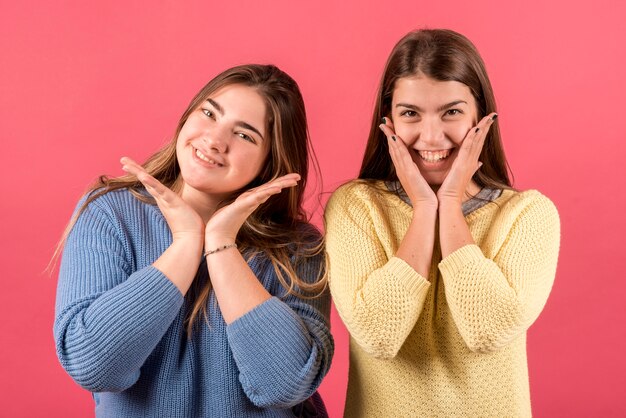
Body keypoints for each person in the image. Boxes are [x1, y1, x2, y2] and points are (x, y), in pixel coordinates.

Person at [53, 64, 333, 417]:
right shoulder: (112, 213)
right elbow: (93, 365)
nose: (215, 140)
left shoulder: (299, 248)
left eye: (245, 135)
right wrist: (186, 243)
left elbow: (285, 385)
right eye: (208, 113)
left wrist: (221, 244)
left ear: (269, 164)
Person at [324, 29, 560, 417]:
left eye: (451, 112)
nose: (431, 136)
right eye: (410, 114)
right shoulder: (357, 206)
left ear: (480, 117)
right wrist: (422, 208)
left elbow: (488, 330)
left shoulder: (528, 215)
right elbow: (377, 335)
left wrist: (448, 203)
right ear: (389, 121)